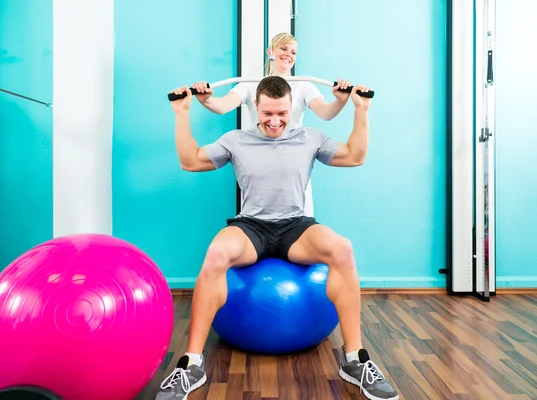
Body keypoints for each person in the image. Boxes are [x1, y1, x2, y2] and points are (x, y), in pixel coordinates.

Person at [156, 76, 399, 400]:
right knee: (216, 253)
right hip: (251, 225)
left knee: (342, 249)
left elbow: (355, 155)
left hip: (295, 226)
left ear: (291, 107)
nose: (274, 121)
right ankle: (191, 364)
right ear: (256, 106)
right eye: (267, 113)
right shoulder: (236, 140)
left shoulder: (310, 138)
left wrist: (361, 109)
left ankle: (354, 359)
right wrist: (181, 112)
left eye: (282, 113)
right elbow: (190, 161)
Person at [190, 32, 353, 217]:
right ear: (270, 52)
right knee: (259, 231)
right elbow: (222, 106)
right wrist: (206, 99)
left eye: (293, 52)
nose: (288, 54)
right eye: (283, 48)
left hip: (294, 165)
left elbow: (326, 113)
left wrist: (340, 100)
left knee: (301, 231)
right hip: (258, 164)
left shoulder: (304, 86)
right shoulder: (250, 84)